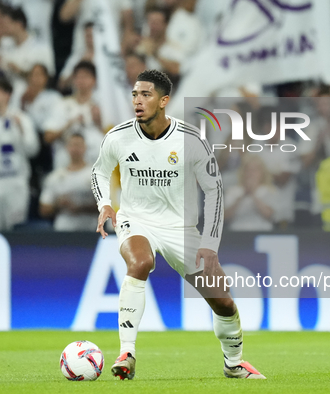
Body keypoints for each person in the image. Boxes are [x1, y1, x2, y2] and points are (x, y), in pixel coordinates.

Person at [91, 69, 265, 380]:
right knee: (140, 262)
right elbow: (100, 172)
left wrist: (210, 244)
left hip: (182, 229)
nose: (138, 101)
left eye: (146, 95)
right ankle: (126, 353)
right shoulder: (117, 136)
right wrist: (105, 203)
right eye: (135, 94)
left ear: (164, 101)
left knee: (223, 301)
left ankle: (234, 362)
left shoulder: (191, 139)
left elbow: (215, 190)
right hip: (137, 219)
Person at [0, 78, 39, 231]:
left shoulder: (21, 118)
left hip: (14, 181)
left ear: (8, 95)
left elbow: (33, 149)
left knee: (15, 228)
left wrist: (21, 130)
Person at [44, 61, 103, 169]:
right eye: (78, 77)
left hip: (96, 161)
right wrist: (68, 124)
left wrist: (98, 121)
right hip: (67, 163)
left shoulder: (102, 105)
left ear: (94, 80)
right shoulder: (62, 104)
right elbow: (48, 137)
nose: (81, 81)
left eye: (85, 77)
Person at [39, 133, 97, 231]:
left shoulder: (95, 175)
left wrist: (81, 207)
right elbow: (44, 209)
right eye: (72, 145)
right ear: (67, 148)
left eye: (78, 145)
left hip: (89, 230)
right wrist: (59, 204)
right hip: (63, 230)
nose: (75, 149)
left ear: (85, 148)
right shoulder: (55, 177)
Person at [225, 155, 279, 231]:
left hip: (262, 232)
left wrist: (253, 194)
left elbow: (269, 215)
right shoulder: (233, 191)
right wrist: (242, 196)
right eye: (248, 170)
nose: (251, 173)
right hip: (237, 233)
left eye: (255, 170)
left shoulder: (269, 190)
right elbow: (226, 216)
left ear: (262, 172)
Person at [58, 22, 95, 92]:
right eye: (87, 36)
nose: (90, 39)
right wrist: (80, 66)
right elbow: (61, 84)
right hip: (77, 98)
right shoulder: (77, 57)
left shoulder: (107, 58)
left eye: (92, 36)